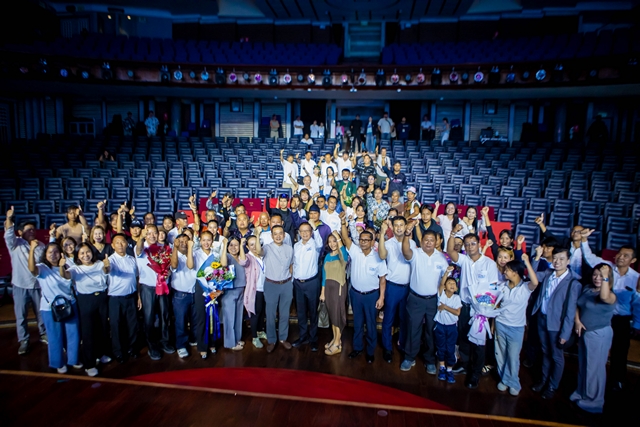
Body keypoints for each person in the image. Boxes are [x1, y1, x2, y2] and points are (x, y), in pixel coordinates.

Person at [579, 234, 639, 392]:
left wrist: (637, 324)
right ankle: (592, 385)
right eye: (620, 253)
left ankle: (617, 381)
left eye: (626, 256)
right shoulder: (606, 268)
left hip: (621, 319)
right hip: (600, 316)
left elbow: (637, 303)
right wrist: (584, 240)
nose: (621, 257)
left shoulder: (636, 278)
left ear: (633, 260)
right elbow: (590, 258)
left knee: (620, 351)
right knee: (595, 355)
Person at [446, 224, 500, 389]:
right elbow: (450, 251)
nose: (470, 247)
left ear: (479, 244)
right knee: (463, 337)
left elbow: (492, 288)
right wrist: (453, 233)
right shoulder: (465, 260)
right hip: (464, 305)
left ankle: (475, 372)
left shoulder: (489, 264)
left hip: (480, 309)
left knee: (478, 342)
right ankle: (465, 364)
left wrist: (483, 310)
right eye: (467, 244)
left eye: (473, 244)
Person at [531, 247, 582, 399]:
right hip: (542, 319)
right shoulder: (548, 273)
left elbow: (570, 311)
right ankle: (544, 380)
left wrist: (565, 333)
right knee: (545, 352)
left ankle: (552, 386)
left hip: (557, 324)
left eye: (561, 259)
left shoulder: (573, 283)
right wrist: (536, 258)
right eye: (555, 258)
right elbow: (531, 275)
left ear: (568, 261)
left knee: (556, 356)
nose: (557, 261)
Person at [400, 226, 449, 373]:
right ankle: (409, 357)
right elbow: (405, 251)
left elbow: (445, 281)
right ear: (421, 241)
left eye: (431, 240)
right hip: (415, 299)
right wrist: (406, 236)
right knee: (413, 329)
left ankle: (429, 360)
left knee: (431, 331)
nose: (428, 243)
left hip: (433, 301)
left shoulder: (441, 258)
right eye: (426, 240)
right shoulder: (416, 253)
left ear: (436, 242)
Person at [28, 241, 80, 374]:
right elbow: (32, 269)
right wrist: (32, 250)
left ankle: (73, 359)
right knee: (54, 336)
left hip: (69, 304)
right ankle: (58, 362)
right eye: (50, 252)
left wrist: (62, 266)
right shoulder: (42, 268)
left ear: (61, 253)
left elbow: (68, 278)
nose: (53, 255)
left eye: (56, 252)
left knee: (73, 334)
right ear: (45, 254)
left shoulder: (68, 266)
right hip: (50, 308)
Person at [341, 213, 387, 364]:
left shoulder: (378, 257)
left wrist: (381, 298)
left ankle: (370, 351)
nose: (363, 242)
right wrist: (343, 222)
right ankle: (358, 347)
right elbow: (345, 238)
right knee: (358, 323)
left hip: (371, 296)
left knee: (371, 324)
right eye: (361, 240)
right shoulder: (355, 252)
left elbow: (382, 280)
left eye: (367, 240)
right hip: (356, 294)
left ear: (372, 241)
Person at [571, 263, 616, 413]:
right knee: (584, 365)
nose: (597, 278)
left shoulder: (611, 295)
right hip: (585, 333)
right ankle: (582, 392)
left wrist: (605, 277)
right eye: (595, 275)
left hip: (599, 334)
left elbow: (604, 296)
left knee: (595, 369)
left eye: (601, 276)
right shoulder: (588, 289)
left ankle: (595, 401)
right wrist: (577, 321)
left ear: (608, 278)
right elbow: (578, 305)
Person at [63, 242, 112, 376]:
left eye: (88, 252)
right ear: (78, 255)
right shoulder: (75, 269)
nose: (86, 255)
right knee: (88, 332)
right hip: (86, 300)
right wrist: (62, 266)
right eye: (82, 253)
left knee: (102, 328)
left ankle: (100, 353)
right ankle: (89, 364)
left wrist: (106, 267)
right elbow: (66, 275)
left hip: (102, 298)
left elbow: (106, 272)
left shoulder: (100, 264)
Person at [494, 254, 539, 396]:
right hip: (501, 323)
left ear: (515, 272)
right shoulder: (502, 286)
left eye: (507, 269)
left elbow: (535, 282)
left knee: (513, 356)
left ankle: (513, 382)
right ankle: (504, 379)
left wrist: (527, 262)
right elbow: (495, 303)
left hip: (516, 327)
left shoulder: (525, 287)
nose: (505, 271)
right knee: (500, 354)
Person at [5, 208, 47, 355]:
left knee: (41, 313)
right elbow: (8, 233)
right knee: (21, 315)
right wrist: (9, 218)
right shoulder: (15, 244)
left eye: (33, 229)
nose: (32, 232)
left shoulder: (40, 245)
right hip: (20, 285)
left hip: (37, 285)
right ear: (20, 232)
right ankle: (24, 340)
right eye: (28, 230)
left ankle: (43, 334)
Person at [377, 217, 415, 364]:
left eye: (401, 225)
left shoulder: (412, 243)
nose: (399, 228)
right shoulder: (387, 243)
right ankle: (387, 347)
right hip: (392, 287)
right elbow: (381, 255)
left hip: (407, 287)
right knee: (388, 319)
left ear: (405, 227)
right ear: (392, 228)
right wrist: (381, 234)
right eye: (396, 225)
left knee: (404, 319)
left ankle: (402, 344)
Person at [135, 225, 174, 360]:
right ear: (145, 234)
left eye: (154, 233)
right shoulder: (141, 247)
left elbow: (170, 266)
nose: (152, 236)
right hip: (148, 287)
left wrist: (168, 272)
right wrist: (141, 238)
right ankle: (152, 346)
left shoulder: (164, 248)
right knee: (149, 317)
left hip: (163, 286)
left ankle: (165, 341)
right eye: (149, 233)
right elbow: (138, 250)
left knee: (165, 315)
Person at [260, 225, 294, 353]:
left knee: (285, 313)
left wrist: (290, 281)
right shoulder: (267, 248)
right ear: (272, 236)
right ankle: (272, 340)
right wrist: (257, 234)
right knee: (270, 314)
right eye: (275, 234)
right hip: (271, 285)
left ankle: (283, 338)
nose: (278, 236)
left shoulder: (289, 249)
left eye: (280, 233)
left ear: (284, 235)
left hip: (286, 284)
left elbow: (291, 266)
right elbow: (259, 251)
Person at [108, 234, 140, 363]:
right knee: (116, 326)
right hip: (116, 299)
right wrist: (105, 266)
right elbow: (107, 269)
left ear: (127, 244)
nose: (120, 245)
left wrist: (138, 296)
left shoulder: (132, 259)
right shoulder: (110, 260)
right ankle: (118, 352)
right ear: (112, 245)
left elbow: (137, 278)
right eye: (117, 243)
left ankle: (132, 349)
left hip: (131, 296)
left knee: (132, 325)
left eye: (122, 242)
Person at [291, 222, 324, 351]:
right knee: (301, 312)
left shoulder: (315, 244)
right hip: (298, 284)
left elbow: (320, 242)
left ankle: (313, 339)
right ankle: (303, 336)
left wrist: (314, 227)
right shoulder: (296, 246)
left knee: (313, 312)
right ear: (299, 233)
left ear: (311, 232)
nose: (304, 233)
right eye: (302, 231)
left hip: (311, 283)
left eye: (307, 231)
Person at [320, 231, 349, 356]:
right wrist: (323, 292)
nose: (332, 244)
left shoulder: (342, 255)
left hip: (338, 288)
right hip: (328, 289)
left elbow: (343, 251)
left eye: (335, 241)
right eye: (330, 241)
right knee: (332, 315)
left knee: (338, 315)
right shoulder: (327, 256)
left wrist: (337, 236)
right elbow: (324, 275)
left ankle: (337, 343)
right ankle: (334, 339)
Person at [534, 213, 587, 280]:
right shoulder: (565, 243)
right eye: (573, 231)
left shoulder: (588, 250)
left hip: (583, 279)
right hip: (566, 278)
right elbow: (550, 236)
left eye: (578, 232)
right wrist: (541, 224)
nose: (575, 233)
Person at [434, 266, 462, 383]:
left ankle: (449, 370)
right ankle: (442, 368)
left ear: (456, 288)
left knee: (450, 349)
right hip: (440, 325)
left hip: (452, 327)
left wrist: (445, 307)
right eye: (449, 283)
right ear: (445, 287)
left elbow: (457, 312)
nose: (451, 285)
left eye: (454, 284)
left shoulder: (457, 298)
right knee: (441, 347)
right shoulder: (441, 295)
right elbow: (441, 284)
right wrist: (446, 273)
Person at [220, 237, 247, 350]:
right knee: (229, 318)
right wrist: (224, 246)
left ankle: (237, 338)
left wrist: (241, 246)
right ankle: (230, 343)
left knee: (238, 316)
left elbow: (244, 261)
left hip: (240, 289)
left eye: (236, 245)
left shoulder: (241, 257)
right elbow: (223, 264)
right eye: (231, 245)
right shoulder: (227, 257)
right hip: (229, 291)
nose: (233, 247)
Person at [242, 233, 268, 348]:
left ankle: (260, 331)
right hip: (255, 290)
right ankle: (254, 337)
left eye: (255, 243)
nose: (254, 247)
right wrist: (241, 246)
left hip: (265, 289)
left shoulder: (263, 256)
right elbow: (243, 262)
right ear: (247, 247)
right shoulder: (248, 257)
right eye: (251, 245)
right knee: (255, 314)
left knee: (262, 312)